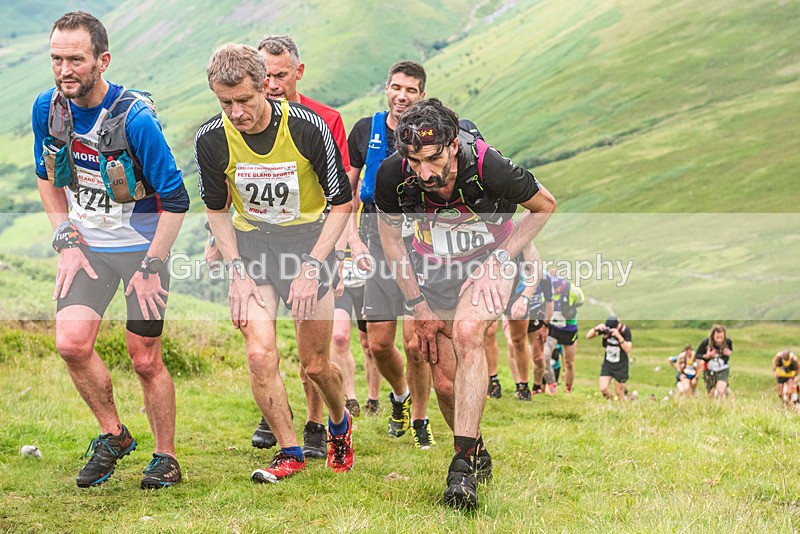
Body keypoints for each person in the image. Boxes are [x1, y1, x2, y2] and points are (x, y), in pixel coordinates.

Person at [32, 11, 189, 489]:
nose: (65, 70)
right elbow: (46, 178)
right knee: (72, 344)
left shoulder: (135, 118)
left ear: (102, 60)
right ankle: (113, 434)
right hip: (89, 248)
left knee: (144, 358)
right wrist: (66, 241)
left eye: (75, 59)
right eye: (57, 59)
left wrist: (153, 264)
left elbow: (178, 199)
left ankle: (166, 457)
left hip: (143, 248)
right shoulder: (48, 108)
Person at [375, 98, 556, 509]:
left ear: (453, 145)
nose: (425, 172)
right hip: (433, 271)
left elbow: (544, 205)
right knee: (443, 382)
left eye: (434, 158)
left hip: (488, 263)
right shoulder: (393, 175)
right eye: (415, 161)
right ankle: (475, 447)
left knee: (469, 332)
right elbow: (390, 241)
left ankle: (460, 469)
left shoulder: (487, 165)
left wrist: (501, 259)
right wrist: (417, 305)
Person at [195, 43, 354, 482]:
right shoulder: (211, 138)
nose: (236, 113)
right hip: (253, 246)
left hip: (309, 243)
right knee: (260, 354)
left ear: (265, 85)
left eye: (244, 100)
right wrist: (236, 270)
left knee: (315, 364)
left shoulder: (308, 128)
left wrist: (314, 266)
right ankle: (290, 453)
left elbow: (342, 204)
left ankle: (339, 425)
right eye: (225, 102)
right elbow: (216, 210)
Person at [237, 33, 356, 460]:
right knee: (263, 343)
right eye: (263, 76)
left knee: (314, 354)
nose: (271, 84)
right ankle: (277, 416)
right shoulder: (243, 120)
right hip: (260, 244)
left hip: (313, 243)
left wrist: (337, 255)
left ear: (298, 73)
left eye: (280, 75)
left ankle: (315, 422)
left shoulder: (324, 120)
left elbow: (341, 194)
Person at [346, 61, 434, 447]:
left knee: (417, 343)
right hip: (373, 239)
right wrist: (353, 240)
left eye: (411, 90)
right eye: (396, 88)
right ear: (386, 89)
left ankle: (420, 421)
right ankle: (400, 395)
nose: (402, 96)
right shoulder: (366, 130)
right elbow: (345, 194)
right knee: (378, 343)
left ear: (422, 96)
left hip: (420, 242)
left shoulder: (432, 133)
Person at [501, 249, 553, 399]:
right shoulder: (512, 272)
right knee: (513, 344)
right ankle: (520, 386)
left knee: (538, 357)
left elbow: (550, 302)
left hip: (536, 315)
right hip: (515, 311)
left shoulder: (544, 277)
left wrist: (546, 325)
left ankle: (537, 385)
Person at [543, 273, 584, 393]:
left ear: (562, 283)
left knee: (569, 362)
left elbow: (580, 302)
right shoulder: (546, 291)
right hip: (552, 329)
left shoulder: (574, 291)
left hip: (568, 329)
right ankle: (551, 384)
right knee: (544, 356)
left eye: (557, 286)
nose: (555, 290)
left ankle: (568, 388)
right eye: (553, 286)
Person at [586, 315, 633, 400]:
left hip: (621, 366)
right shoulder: (606, 329)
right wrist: (596, 329)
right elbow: (588, 336)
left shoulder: (625, 330)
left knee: (619, 392)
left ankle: (622, 408)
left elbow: (628, 349)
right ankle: (611, 401)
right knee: (603, 388)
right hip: (608, 364)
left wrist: (619, 336)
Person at [696, 324, 733, 399]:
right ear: (713, 336)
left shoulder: (728, 342)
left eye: (721, 337)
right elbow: (697, 355)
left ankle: (723, 405)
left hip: (722, 368)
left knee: (720, 390)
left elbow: (730, 351)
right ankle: (713, 407)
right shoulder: (706, 343)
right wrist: (706, 356)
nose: (719, 340)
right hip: (709, 370)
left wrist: (728, 353)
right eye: (717, 337)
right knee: (711, 393)